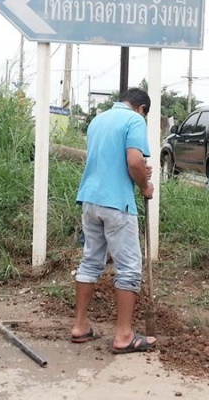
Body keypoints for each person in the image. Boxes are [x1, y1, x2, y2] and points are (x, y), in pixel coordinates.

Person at [71, 88, 156, 354]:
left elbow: (111, 160)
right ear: (142, 109)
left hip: (90, 199)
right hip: (116, 202)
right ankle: (124, 336)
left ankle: (80, 326)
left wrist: (139, 169)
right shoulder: (135, 120)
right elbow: (134, 161)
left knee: (90, 262)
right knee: (129, 268)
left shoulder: (98, 120)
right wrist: (145, 186)